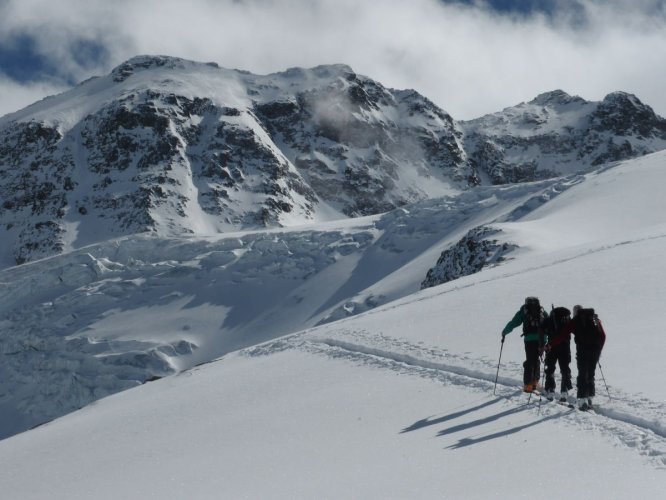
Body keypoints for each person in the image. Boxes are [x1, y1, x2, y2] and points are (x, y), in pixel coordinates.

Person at [546, 305, 606, 410]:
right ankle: (590, 397)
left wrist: (550, 345)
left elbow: (563, 336)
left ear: (575, 313)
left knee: (582, 374)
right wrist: (599, 349)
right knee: (591, 373)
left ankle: (582, 400)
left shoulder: (575, 321)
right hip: (595, 350)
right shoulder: (595, 319)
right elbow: (603, 335)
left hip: (583, 351)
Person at [501, 296, 548, 393]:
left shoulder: (524, 311)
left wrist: (505, 332)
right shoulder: (542, 311)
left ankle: (528, 385)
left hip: (529, 339)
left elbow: (514, 323)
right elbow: (549, 322)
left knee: (530, 360)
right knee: (536, 359)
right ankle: (535, 381)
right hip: (542, 339)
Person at [542, 306, 573, 402]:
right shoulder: (568, 319)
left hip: (551, 347)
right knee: (565, 368)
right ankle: (565, 390)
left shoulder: (549, 319)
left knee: (550, 368)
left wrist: (542, 344)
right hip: (565, 347)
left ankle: (550, 390)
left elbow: (541, 329)